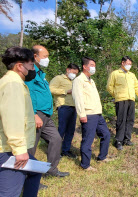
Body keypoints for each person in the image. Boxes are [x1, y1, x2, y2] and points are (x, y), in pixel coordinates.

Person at [0, 47, 42, 196]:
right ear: (20, 66)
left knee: (35, 171)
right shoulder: (13, 84)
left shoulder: (13, 82)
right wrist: (19, 150)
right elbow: (12, 118)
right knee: (9, 192)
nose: (33, 70)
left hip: (10, 147)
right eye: (31, 66)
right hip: (8, 149)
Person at [25, 45, 69, 177]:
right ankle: (28, 177)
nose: (47, 59)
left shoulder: (40, 73)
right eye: (45, 56)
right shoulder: (30, 72)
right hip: (36, 114)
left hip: (46, 115)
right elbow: (29, 93)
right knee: (31, 146)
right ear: (35, 57)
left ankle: (52, 170)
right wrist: (33, 114)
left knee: (56, 139)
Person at [72, 57, 111, 171]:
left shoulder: (91, 80)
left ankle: (102, 157)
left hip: (97, 113)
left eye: (94, 65)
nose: (94, 67)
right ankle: (85, 165)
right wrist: (82, 114)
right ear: (85, 66)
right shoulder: (79, 80)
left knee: (106, 134)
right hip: (88, 114)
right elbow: (77, 98)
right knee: (88, 140)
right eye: (92, 65)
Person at [106, 56, 138, 150]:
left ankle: (127, 139)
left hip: (131, 100)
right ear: (123, 63)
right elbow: (109, 87)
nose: (129, 66)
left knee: (130, 120)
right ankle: (118, 141)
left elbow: (137, 87)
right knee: (121, 120)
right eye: (128, 63)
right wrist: (116, 95)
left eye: (130, 64)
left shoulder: (132, 75)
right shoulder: (115, 73)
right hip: (121, 100)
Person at [50, 63, 80, 158]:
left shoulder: (75, 81)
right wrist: (66, 91)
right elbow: (50, 89)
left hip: (73, 107)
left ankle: (65, 150)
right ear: (68, 70)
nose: (74, 74)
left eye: (76, 73)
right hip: (63, 106)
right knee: (61, 129)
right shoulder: (59, 78)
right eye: (73, 72)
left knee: (70, 130)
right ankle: (56, 151)